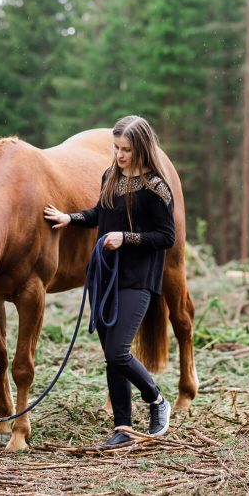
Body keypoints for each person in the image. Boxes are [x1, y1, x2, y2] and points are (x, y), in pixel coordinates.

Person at [43, 115, 175, 448]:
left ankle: (156, 400)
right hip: (104, 277)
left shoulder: (156, 188)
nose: (119, 155)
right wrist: (68, 218)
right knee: (111, 356)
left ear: (142, 148)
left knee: (118, 352)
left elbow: (165, 236)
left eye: (126, 149)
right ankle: (123, 427)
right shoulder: (110, 177)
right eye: (116, 148)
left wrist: (126, 237)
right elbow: (99, 214)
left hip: (136, 279)